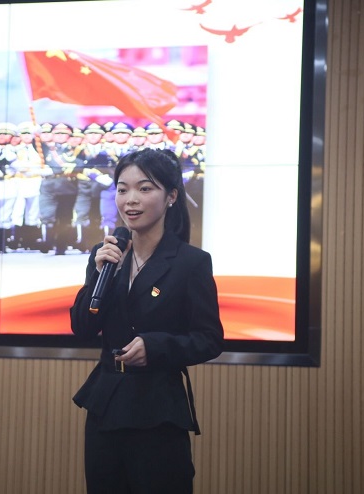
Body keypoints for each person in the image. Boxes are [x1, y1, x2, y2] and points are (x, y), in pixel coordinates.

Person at [70, 148, 223, 494]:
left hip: (158, 408)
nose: (131, 200)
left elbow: (209, 339)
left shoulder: (190, 262)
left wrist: (155, 346)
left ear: (171, 196)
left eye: (144, 188)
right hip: (106, 403)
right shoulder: (106, 255)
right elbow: (82, 327)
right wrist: (98, 277)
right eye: (122, 189)